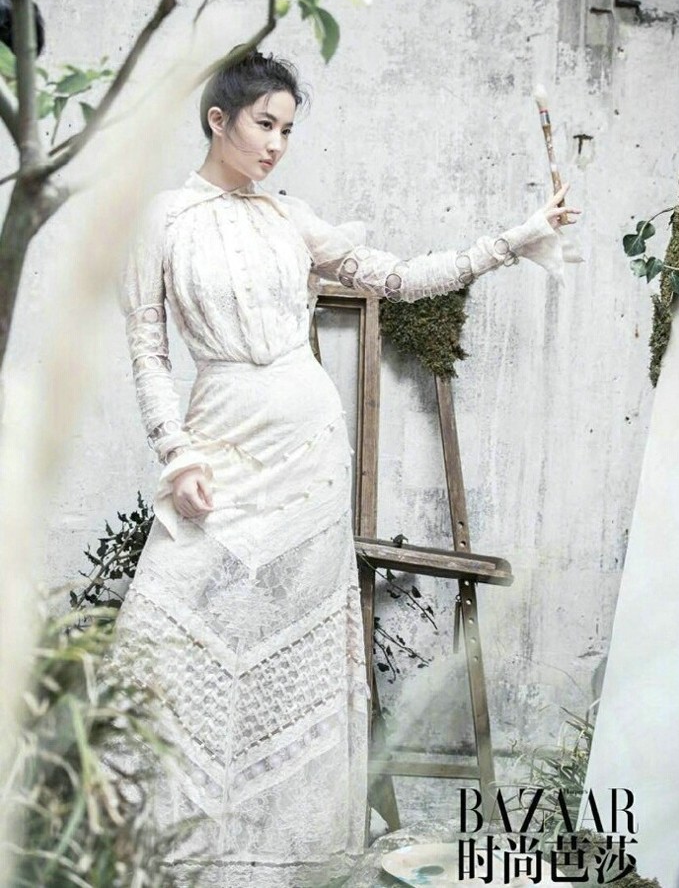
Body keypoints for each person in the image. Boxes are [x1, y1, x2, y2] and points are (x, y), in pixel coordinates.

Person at [112, 49, 581, 888]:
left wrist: (514, 241)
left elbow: (399, 278)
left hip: (307, 452)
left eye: (288, 130)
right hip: (218, 439)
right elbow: (148, 352)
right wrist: (176, 455)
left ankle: (286, 854)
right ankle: (168, 848)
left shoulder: (290, 220)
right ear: (218, 119)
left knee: (297, 658)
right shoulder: (165, 219)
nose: (276, 144)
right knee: (170, 629)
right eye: (264, 124)